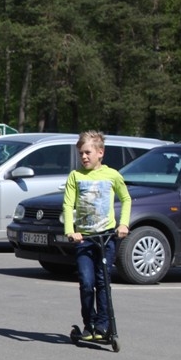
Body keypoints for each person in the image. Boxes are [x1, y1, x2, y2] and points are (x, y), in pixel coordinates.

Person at [62, 130, 131, 341]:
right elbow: (67, 204)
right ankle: (89, 323)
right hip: (84, 239)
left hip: (106, 238)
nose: (83, 157)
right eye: (81, 153)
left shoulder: (112, 175)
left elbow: (126, 199)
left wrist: (123, 224)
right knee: (86, 281)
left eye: (87, 153)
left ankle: (103, 325)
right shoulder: (75, 176)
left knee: (103, 281)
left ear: (100, 153)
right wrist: (70, 231)